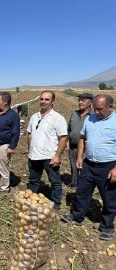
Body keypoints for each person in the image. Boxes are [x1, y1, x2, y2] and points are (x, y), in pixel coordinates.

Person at [62, 95, 116, 241]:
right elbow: (82, 138)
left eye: (100, 109)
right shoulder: (90, 119)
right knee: (82, 191)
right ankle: (77, 215)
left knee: (109, 198)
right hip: (89, 163)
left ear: (110, 107)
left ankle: (106, 226)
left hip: (109, 166)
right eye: (95, 109)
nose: (96, 112)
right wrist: (80, 157)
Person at [27, 90, 68, 209]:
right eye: (42, 99)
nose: (43, 102)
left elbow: (63, 138)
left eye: (47, 99)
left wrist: (57, 156)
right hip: (34, 155)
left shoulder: (58, 118)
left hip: (49, 156)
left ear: (52, 101)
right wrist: (30, 151)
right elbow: (29, 134)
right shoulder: (35, 116)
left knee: (55, 181)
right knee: (33, 180)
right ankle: (32, 201)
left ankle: (56, 204)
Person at [67, 93, 93, 187]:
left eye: (83, 100)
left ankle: (83, 185)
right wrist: (67, 140)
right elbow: (69, 128)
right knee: (73, 165)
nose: (80, 102)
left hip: (86, 147)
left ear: (90, 102)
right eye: (79, 100)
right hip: (73, 146)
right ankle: (74, 183)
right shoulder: (74, 114)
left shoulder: (93, 116)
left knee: (83, 166)